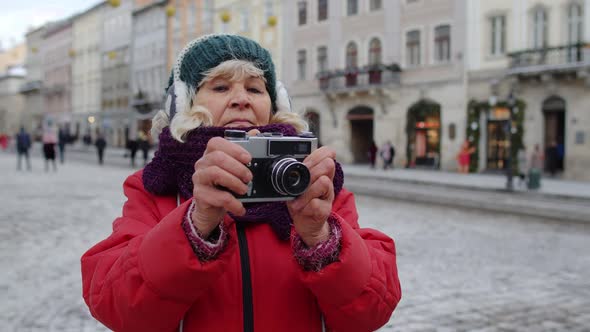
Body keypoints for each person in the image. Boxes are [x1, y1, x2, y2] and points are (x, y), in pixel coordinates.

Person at [81, 34, 401, 332]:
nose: (241, 100)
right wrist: (196, 222)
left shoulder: (315, 184)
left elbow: (372, 310)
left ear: (275, 104)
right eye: (220, 88)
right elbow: (116, 306)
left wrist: (322, 238)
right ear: (184, 103)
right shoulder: (158, 187)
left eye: (255, 88)